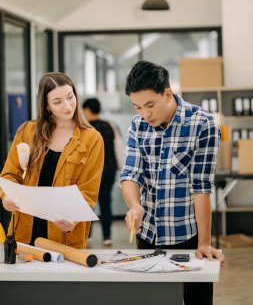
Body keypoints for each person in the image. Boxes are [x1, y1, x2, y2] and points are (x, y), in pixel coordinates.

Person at [120, 61, 224, 305]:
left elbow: (201, 186)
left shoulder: (202, 123)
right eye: (137, 107)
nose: (145, 114)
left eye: (150, 105)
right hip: (148, 235)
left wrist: (205, 242)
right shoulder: (137, 126)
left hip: (187, 235)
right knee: (152, 300)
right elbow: (130, 175)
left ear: (167, 94)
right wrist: (134, 205)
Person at [0, 72, 104, 249]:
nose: (68, 106)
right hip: (24, 231)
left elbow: (88, 191)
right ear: (47, 106)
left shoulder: (92, 139)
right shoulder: (27, 131)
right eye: (57, 102)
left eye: (70, 97)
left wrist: (75, 219)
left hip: (64, 233)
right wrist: (6, 197)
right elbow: (10, 174)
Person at [82, 98, 117, 246]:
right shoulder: (109, 125)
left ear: (88, 110)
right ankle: (107, 236)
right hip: (109, 169)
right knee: (106, 202)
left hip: (92, 172)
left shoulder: (86, 129)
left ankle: (87, 235)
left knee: (88, 203)